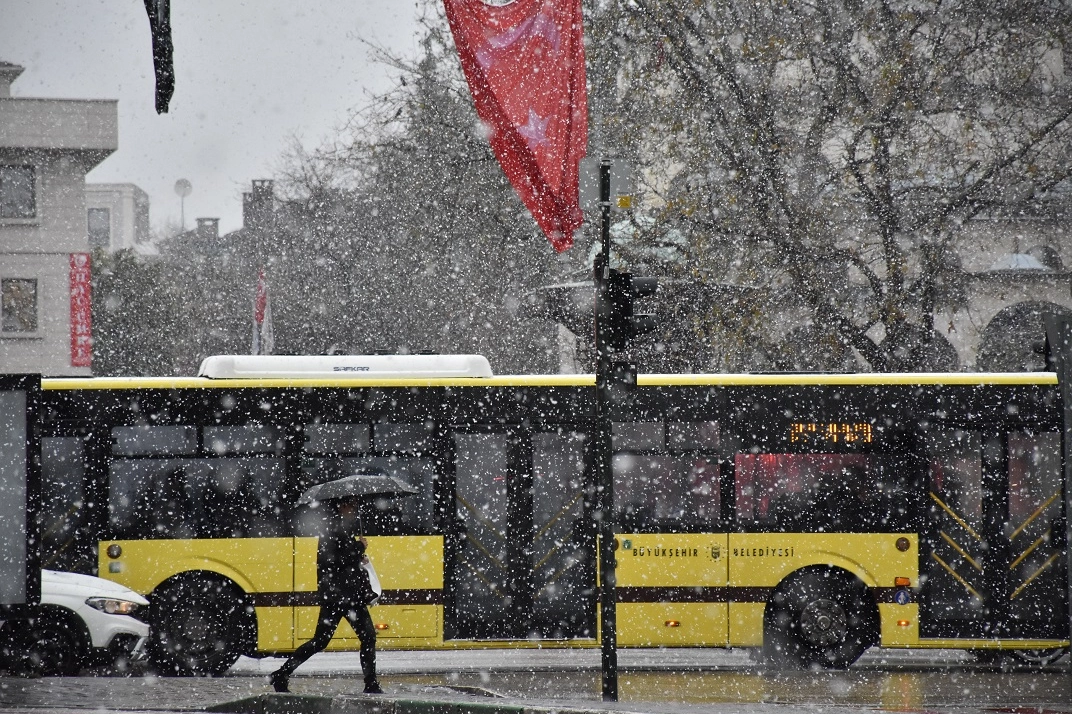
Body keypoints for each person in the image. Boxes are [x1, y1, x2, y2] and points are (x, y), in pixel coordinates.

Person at [270, 499, 381, 694]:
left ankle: (282, 673)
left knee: (322, 640)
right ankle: (370, 684)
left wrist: (358, 555)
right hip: (343, 596)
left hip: (339, 595)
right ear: (341, 506)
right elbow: (334, 560)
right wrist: (359, 547)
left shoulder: (338, 526)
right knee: (367, 636)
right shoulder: (334, 527)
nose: (353, 509)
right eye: (350, 505)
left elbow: (340, 559)